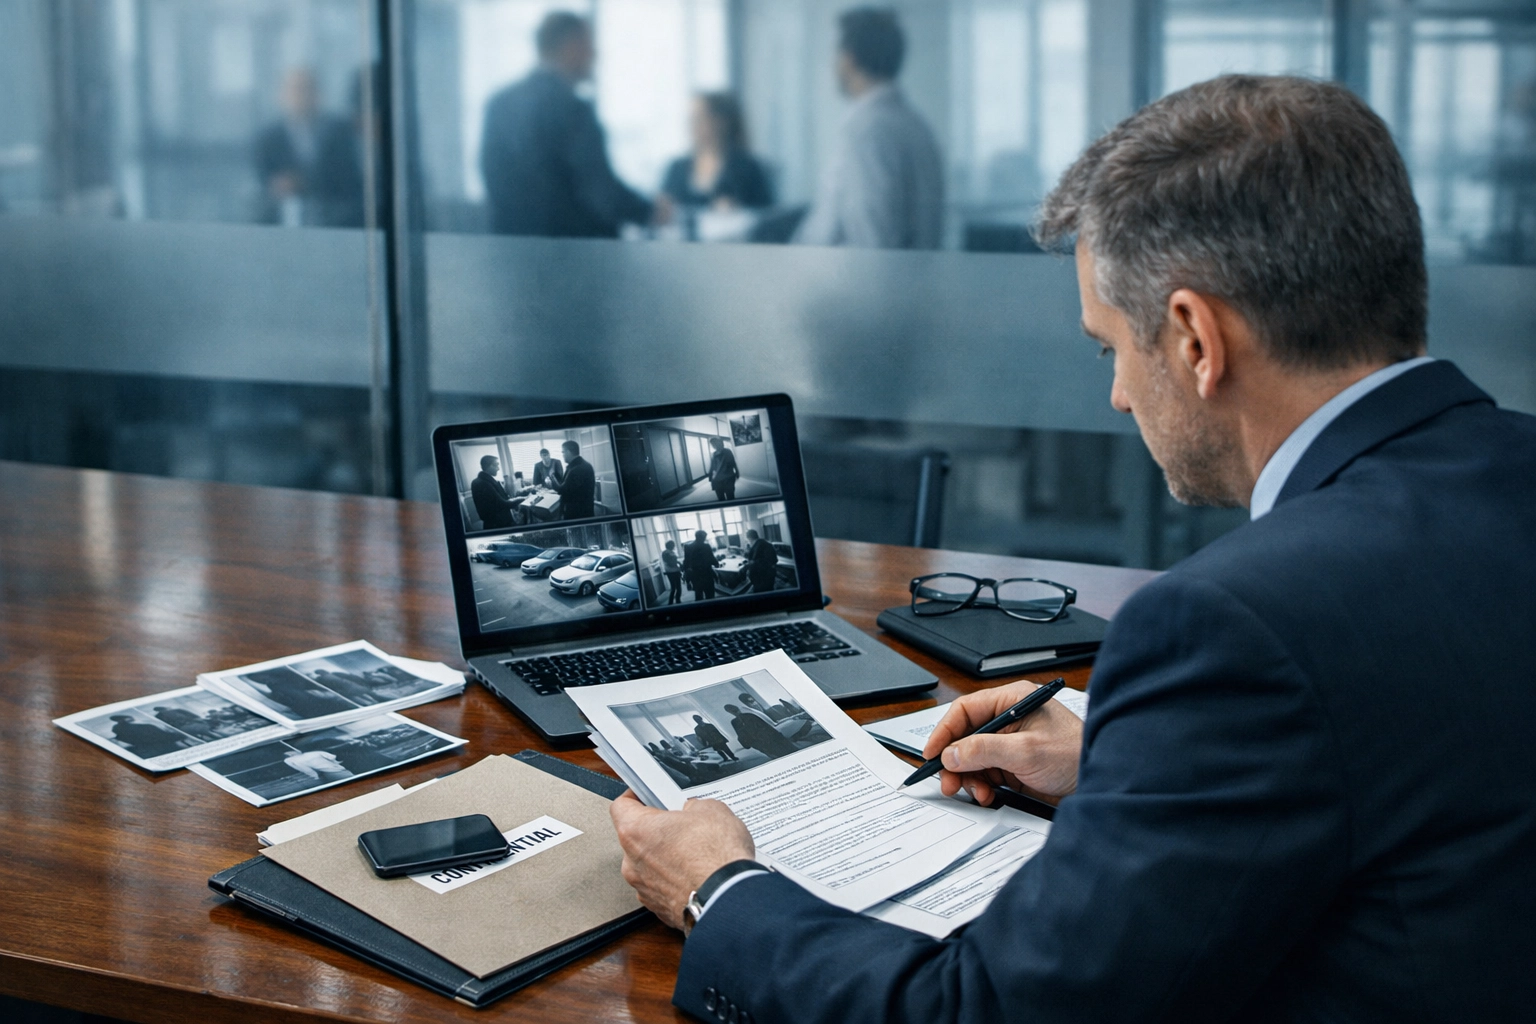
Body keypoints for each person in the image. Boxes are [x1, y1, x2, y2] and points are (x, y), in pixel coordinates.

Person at [608, 75, 1536, 1022]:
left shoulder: (1234, 625)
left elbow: (989, 1011)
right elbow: (1426, 759)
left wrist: (719, 888)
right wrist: (1144, 766)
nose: (1119, 399)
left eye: (1109, 350)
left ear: (1194, 340)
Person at [479, 12, 659, 237]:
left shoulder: (499, 104)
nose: (595, 54)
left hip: (511, 253)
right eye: (589, 44)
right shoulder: (572, 109)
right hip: (572, 256)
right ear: (570, 46)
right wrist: (650, 212)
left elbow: (492, 180)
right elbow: (601, 192)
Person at [794, 8, 943, 250]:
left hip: (856, 282)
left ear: (848, 58)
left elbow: (873, 241)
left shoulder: (867, 129)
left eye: (836, 54)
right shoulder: (915, 124)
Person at [253, 68, 364, 227]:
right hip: (282, 222)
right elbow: (263, 183)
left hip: (337, 221)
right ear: (281, 94)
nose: (301, 95)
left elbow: (352, 181)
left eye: (307, 88)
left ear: (318, 92)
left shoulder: (341, 131)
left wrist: (305, 182)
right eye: (295, 89)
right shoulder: (267, 138)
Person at [661, 93, 774, 213]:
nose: (691, 125)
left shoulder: (748, 168)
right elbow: (661, 214)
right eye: (690, 119)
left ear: (720, 121)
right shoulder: (676, 168)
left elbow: (767, 216)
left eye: (698, 118)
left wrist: (738, 211)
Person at [723, 703, 798, 759]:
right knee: (780, 751)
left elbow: (765, 726)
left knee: (780, 751)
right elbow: (742, 734)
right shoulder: (739, 720)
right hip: (763, 740)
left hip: (765, 739)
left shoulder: (746, 717)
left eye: (733, 710)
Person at [470, 455, 517, 530]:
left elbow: (502, 498)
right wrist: (522, 500)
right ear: (486, 466)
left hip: (496, 522)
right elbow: (502, 504)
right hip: (499, 524)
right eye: (495, 465)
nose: (498, 468)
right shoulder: (483, 483)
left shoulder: (483, 480)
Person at [108, 715, 185, 758]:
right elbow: (161, 735)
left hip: (145, 749)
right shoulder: (144, 726)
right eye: (130, 718)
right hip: (162, 745)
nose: (132, 719)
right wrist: (178, 736)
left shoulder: (118, 729)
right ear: (125, 719)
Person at [555, 439, 596, 519]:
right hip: (584, 510)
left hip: (578, 514)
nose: (562, 455)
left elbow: (563, 490)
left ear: (568, 452)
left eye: (563, 452)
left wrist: (552, 481)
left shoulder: (577, 469)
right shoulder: (582, 464)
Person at [682, 530, 719, 601]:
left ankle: (700, 610)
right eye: (704, 537)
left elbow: (686, 562)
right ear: (701, 537)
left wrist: (687, 579)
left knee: (698, 594)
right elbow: (711, 558)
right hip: (707, 573)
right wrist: (716, 563)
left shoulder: (688, 546)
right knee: (710, 594)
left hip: (695, 574)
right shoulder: (706, 546)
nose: (705, 538)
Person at [151, 705, 218, 742]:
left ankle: (205, 741)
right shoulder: (177, 710)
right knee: (207, 733)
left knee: (197, 737)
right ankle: (216, 738)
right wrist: (200, 720)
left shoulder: (158, 716)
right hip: (191, 724)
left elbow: (166, 725)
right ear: (165, 708)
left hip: (182, 728)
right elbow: (192, 715)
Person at [744, 529, 778, 593]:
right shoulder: (763, 544)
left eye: (748, 540)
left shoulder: (761, 545)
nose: (748, 542)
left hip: (763, 580)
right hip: (764, 579)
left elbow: (770, 561)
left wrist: (751, 564)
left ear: (750, 538)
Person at [707, 437, 739, 502]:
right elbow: (712, 466)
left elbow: (733, 462)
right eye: (712, 444)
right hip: (717, 479)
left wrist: (737, 472)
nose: (713, 446)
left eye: (714, 444)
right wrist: (710, 476)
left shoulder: (727, 452)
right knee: (721, 498)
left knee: (730, 497)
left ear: (720, 443)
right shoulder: (714, 454)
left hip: (728, 478)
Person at [662, 540, 684, 605]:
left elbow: (674, 561)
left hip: (674, 571)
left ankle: (676, 600)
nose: (673, 546)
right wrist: (678, 564)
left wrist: (678, 563)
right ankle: (672, 602)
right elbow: (669, 562)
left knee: (677, 587)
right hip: (671, 572)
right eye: (672, 545)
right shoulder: (666, 553)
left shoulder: (671, 552)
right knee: (674, 588)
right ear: (669, 545)